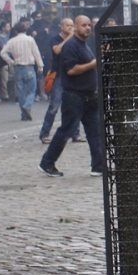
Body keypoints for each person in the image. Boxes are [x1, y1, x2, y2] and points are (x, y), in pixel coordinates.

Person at [39, 16, 105, 178]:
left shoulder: (84, 45)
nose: (88, 28)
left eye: (89, 25)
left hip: (89, 95)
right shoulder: (70, 45)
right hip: (74, 95)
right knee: (65, 131)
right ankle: (47, 162)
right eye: (84, 25)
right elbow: (71, 70)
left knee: (95, 132)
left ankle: (98, 166)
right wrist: (93, 64)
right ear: (75, 27)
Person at [39, 18, 83, 145]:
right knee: (54, 106)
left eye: (71, 25)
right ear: (61, 26)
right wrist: (69, 37)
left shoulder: (76, 39)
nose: (70, 27)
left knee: (74, 106)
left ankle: (75, 134)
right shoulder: (55, 38)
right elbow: (57, 50)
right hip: (59, 76)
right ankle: (44, 133)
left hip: (72, 76)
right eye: (68, 25)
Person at [1, 23, 44, 121]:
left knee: (21, 92)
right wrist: (40, 66)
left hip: (17, 67)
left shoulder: (11, 41)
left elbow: (2, 53)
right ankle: (27, 106)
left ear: (16, 31)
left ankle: (23, 114)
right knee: (32, 90)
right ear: (25, 30)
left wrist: (11, 62)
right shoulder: (30, 40)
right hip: (29, 66)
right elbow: (36, 53)